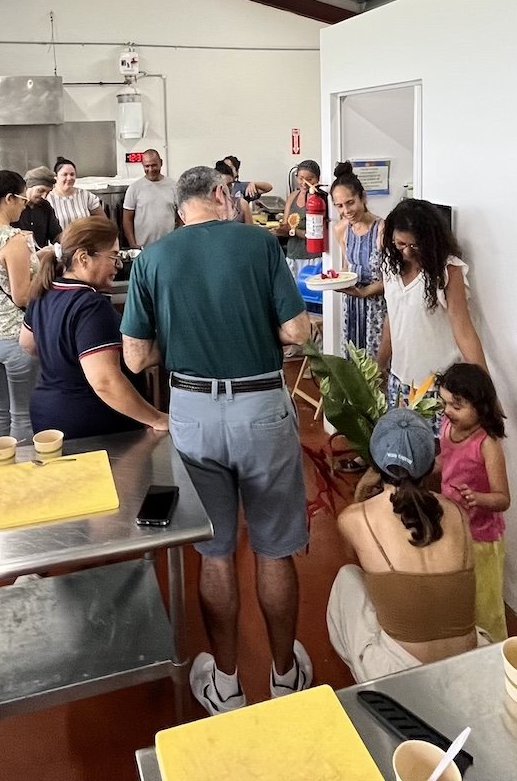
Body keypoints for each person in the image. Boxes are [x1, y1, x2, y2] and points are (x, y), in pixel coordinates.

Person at [122, 164, 312, 714]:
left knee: (216, 550)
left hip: (192, 412)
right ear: (222, 195)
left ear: (181, 209)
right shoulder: (258, 243)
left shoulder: (153, 259)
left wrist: (174, 344)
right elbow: (296, 332)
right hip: (261, 408)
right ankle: (283, 677)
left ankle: (225, 684)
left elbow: (134, 356)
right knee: (274, 547)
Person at [326, 409, 478, 682]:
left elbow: (357, 561)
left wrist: (361, 491)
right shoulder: (457, 513)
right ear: (431, 465)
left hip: (399, 671)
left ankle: (365, 679)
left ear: (375, 463)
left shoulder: (354, 518)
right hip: (467, 662)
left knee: (347, 578)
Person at [21, 217, 168, 439]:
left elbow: (28, 344)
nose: (117, 266)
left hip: (47, 413)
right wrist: (156, 418)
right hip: (90, 422)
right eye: (113, 257)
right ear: (83, 258)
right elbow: (105, 382)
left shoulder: (45, 291)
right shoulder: (90, 306)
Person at [375, 199, 486, 413]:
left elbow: (464, 331)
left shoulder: (447, 270)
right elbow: (394, 318)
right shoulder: (391, 266)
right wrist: (379, 364)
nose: (407, 252)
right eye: (400, 244)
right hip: (400, 381)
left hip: (437, 386)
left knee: (437, 447)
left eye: (414, 245)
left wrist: (485, 390)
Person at [0, 170, 51, 445]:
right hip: (15, 339)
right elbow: (22, 297)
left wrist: (35, 257)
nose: (25, 205)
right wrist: (45, 276)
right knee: (23, 415)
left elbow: (2, 272)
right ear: (8, 199)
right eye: (21, 199)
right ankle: (23, 475)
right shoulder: (13, 240)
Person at [435, 362, 510, 642]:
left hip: (482, 540)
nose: (447, 411)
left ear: (481, 407)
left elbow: (503, 498)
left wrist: (478, 499)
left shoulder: (487, 444)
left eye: (457, 405)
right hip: (453, 530)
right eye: (444, 403)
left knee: (486, 606)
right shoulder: (447, 427)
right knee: (458, 597)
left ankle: (494, 651)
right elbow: (447, 460)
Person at [329, 162, 384, 359]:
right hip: (352, 306)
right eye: (339, 206)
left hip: (377, 309)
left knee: (376, 367)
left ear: (363, 197)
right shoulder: (341, 230)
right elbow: (346, 268)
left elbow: (394, 279)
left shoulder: (382, 230)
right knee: (353, 364)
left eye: (350, 202)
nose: (346, 210)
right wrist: (336, 279)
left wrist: (365, 292)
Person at [276, 159, 323, 280]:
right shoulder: (292, 197)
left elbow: (315, 234)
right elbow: (286, 225)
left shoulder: (319, 200)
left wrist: (293, 231)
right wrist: (280, 230)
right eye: (301, 178)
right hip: (293, 255)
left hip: (313, 258)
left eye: (310, 179)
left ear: (318, 179)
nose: (304, 183)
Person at [121, 148, 178, 248]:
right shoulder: (134, 188)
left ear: (161, 163)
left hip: (169, 246)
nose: (151, 169)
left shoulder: (174, 186)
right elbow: (127, 220)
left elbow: (181, 216)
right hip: (143, 247)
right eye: (147, 166)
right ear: (143, 165)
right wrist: (133, 244)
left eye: (154, 165)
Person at [46, 157, 104, 232]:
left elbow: (102, 222)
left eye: (72, 174)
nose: (69, 178)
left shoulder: (86, 196)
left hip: (85, 240)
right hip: (59, 242)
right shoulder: (48, 198)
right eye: (65, 174)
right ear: (56, 177)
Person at [14, 165, 63, 249]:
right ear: (28, 186)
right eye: (40, 191)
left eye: (48, 192)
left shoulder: (45, 207)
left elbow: (56, 235)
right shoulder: (14, 207)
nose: (44, 196)